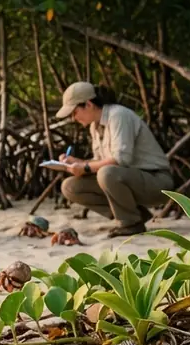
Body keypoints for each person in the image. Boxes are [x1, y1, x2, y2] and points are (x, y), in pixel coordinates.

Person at [54, 81, 174, 237]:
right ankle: (136, 215)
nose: (72, 118)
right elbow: (100, 161)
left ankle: (130, 223)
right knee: (69, 187)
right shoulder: (94, 126)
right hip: (130, 180)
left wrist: (85, 168)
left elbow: (120, 159)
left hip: (157, 182)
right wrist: (74, 162)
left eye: (74, 112)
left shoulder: (118, 116)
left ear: (88, 105)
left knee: (106, 173)